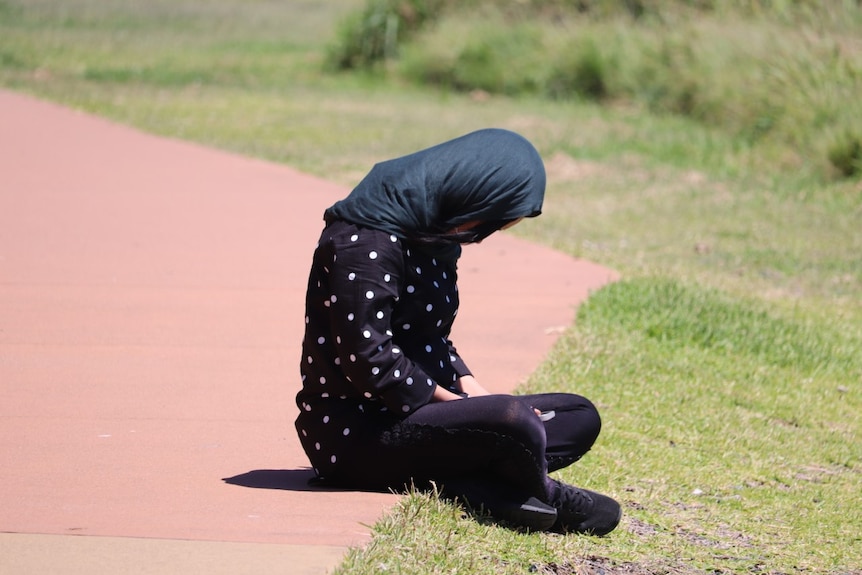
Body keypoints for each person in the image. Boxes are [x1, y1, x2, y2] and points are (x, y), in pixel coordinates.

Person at [294, 128, 621, 535]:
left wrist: (476, 393)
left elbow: (431, 339)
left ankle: (470, 482)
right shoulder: (361, 241)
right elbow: (369, 358)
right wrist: (463, 407)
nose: (484, 235)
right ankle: (546, 494)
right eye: (492, 221)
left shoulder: (431, 235)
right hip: (357, 434)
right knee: (511, 421)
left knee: (577, 415)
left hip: (420, 420)